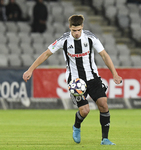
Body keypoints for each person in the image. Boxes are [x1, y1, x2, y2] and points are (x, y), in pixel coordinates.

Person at [23, 14, 122, 145]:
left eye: (79, 30)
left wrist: (114, 73)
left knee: (103, 104)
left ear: (82, 27)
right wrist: (30, 69)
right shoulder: (64, 40)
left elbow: (104, 55)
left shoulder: (90, 37)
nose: (76, 33)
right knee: (85, 110)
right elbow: (46, 53)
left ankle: (105, 139)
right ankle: (76, 126)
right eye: (74, 30)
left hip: (93, 78)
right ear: (70, 28)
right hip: (76, 82)